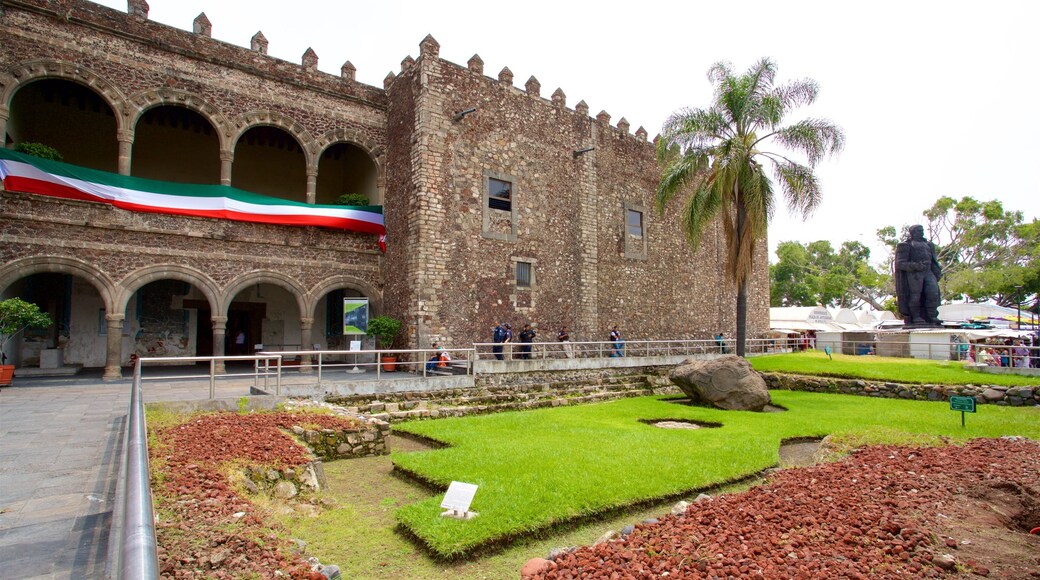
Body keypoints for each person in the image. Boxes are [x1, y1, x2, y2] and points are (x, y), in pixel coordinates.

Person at [894, 224, 942, 326]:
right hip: (914, 274)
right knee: (915, 296)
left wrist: (937, 271)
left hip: (928, 272)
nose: (921, 233)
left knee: (933, 294)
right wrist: (916, 266)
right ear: (912, 233)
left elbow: (933, 261)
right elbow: (900, 263)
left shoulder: (929, 245)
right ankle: (915, 317)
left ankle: (931, 316)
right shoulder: (906, 245)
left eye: (922, 230)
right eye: (919, 231)